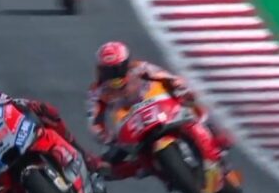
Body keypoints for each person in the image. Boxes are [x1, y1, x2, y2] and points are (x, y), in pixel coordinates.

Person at [86, 41, 231, 181]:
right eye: (108, 71)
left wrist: (178, 86)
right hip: (131, 124)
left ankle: (214, 135)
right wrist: (107, 138)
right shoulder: (97, 92)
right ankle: (146, 168)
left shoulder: (139, 68)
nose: (113, 75)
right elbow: (94, 121)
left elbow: (165, 76)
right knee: (106, 167)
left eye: (117, 69)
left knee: (189, 102)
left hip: (158, 106)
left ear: (126, 64)